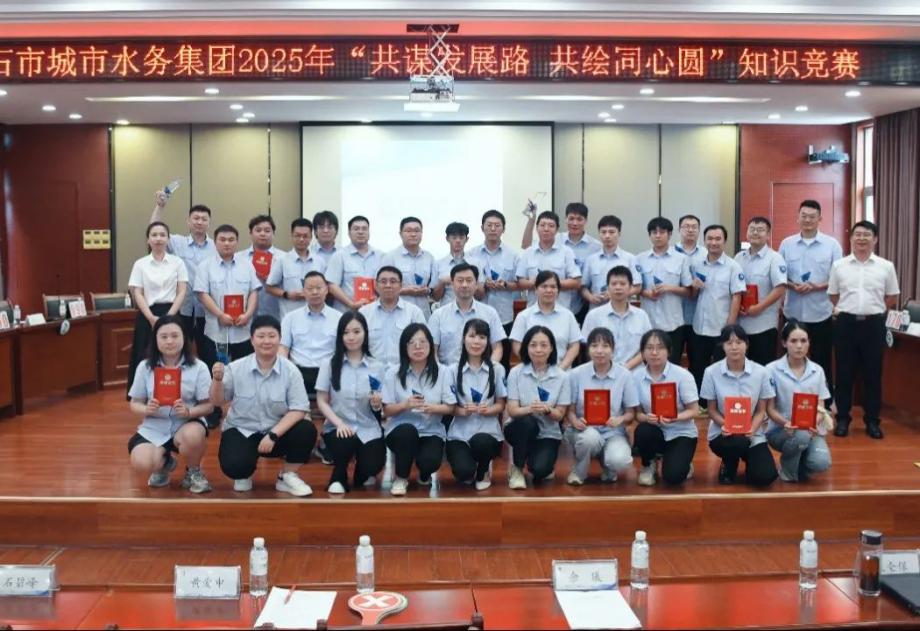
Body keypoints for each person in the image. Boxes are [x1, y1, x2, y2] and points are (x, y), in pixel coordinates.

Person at [211, 316, 316, 496]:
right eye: (261, 336)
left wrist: (273, 435)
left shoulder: (291, 371)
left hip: (276, 432)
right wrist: (217, 380)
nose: (266, 341)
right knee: (235, 466)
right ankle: (243, 473)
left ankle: (287, 475)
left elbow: (299, 409)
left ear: (280, 339)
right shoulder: (236, 368)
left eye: (271, 336)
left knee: (306, 430)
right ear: (252, 340)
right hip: (243, 429)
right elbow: (217, 402)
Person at [828, 220, 900, 439]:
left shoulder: (885, 266)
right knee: (843, 374)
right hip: (846, 324)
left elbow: (892, 296)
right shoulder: (839, 266)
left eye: (866, 235)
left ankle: (872, 421)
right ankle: (842, 419)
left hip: (873, 325)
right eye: (857, 234)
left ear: (875, 239)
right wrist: (850, 309)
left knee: (872, 374)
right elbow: (833, 295)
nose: (861, 238)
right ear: (851, 239)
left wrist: (874, 310)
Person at [127, 315, 213, 493]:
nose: (169, 341)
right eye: (164, 336)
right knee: (141, 462)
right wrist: (146, 408)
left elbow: (209, 406)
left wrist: (189, 412)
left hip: (186, 423)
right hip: (154, 426)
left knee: (193, 436)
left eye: (175, 336)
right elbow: (134, 403)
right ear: (155, 339)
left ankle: (193, 471)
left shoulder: (199, 367)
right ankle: (164, 465)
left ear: (184, 337)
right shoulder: (144, 367)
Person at [193, 224, 261, 426]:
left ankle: (244, 411)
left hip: (242, 330)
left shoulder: (247, 265)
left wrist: (248, 314)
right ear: (215, 242)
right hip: (216, 331)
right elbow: (202, 294)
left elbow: (254, 292)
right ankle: (213, 411)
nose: (227, 243)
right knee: (214, 372)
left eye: (231, 240)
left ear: (237, 242)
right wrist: (220, 314)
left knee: (244, 373)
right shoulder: (205, 266)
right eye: (222, 239)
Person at [778, 200, 843, 405]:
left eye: (812, 216)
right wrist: (791, 285)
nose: (807, 220)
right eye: (804, 216)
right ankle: (789, 401)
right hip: (793, 313)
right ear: (797, 217)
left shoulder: (832, 245)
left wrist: (817, 286)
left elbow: (838, 278)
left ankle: (826, 403)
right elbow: (779, 275)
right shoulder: (787, 244)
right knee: (791, 359)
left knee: (823, 361)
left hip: (821, 313)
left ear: (819, 218)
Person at [315, 312, 387, 494]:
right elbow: (321, 401)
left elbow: (379, 407)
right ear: (340, 335)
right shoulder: (329, 364)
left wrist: (377, 404)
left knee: (373, 465)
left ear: (365, 333)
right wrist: (339, 423)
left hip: (368, 427)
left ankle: (361, 472)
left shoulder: (377, 366)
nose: (351, 337)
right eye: (346, 332)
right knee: (344, 440)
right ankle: (338, 477)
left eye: (356, 331)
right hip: (338, 427)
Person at [382, 324, 454, 496]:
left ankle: (424, 475)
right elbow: (386, 411)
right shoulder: (393, 373)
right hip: (400, 431)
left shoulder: (443, 372)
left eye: (423, 342)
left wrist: (432, 408)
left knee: (430, 460)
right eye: (412, 343)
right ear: (404, 347)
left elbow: (450, 407)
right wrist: (404, 405)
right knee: (407, 432)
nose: (418, 346)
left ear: (431, 345)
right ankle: (401, 478)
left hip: (431, 430)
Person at [701, 324, 778, 487]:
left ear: (747, 344)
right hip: (723, 433)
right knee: (737, 442)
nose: (734, 347)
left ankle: (750, 462)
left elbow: (761, 410)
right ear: (723, 346)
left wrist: (751, 428)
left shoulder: (761, 372)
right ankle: (729, 462)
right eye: (729, 343)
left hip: (752, 432)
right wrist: (727, 424)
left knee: (765, 477)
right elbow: (711, 410)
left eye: (739, 342)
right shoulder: (711, 372)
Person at [564, 327, 638, 485]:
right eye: (594, 345)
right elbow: (569, 410)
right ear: (588, 349)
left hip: (613, 431)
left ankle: (607, 463)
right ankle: (579, 472)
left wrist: (619, 420)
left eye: (605, 346)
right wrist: (575, 421)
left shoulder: (625, 375)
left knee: (620, 460)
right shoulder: (576, 374)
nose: (599, 351)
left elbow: (631, 413)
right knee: (589, 439)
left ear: (613, 349)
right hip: (584, 430)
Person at [504, 326, 573, 489]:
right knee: (527, 423)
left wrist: (548, 410)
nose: (538, 349)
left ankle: (540, 462)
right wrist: (531, 409)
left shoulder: (562, 377)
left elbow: (560, 415)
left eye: (543, 345)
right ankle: (517, 469)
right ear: (526, 347)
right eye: (533, 345)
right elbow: (512, 410)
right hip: (520, 428)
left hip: (548, 432)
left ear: (552, 348)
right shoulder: (515, 373)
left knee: (540, 471)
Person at [127, 222, 189, 398]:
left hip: (172, 312)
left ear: (168, 239)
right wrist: (151, 317)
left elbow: (182, 291)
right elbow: (137, 293)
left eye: (162, 235)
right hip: (148, 314)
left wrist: (169, 317)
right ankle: (143, 396)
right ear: (148, 240)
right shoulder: (140, 264)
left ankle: (175, 393)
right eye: (154, 235)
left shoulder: (177, 262)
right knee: (144, 354)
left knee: (174, 352)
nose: (158, 238)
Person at [765, 320, 833, 482]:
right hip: (781, 431)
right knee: (800, 436)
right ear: (784, 343)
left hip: (811, 430)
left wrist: (813, 423)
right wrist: (785, 423)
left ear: (809, 342)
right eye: (793, 341)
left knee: (821, 463)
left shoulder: (818, 370)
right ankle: (788, 473)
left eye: (803, 341)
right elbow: (770, 409)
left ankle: (797, 461)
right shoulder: (771, 369)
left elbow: (821, 407)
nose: (799, 346)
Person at [632, 329, 700, 486]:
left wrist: (675, 417)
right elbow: (637, 414)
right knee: (642, 430)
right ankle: (648, 464)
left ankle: (683, 462)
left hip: (680, 432)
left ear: (669, 351)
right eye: (649, 348)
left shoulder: (683, 375)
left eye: (660, 347)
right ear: (642, 353)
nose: (654, 352)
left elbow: (694, 410)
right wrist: (646, 418)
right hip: (654, 429)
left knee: (673, 477)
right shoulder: (636, 377)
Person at [446, 319, 507, 491]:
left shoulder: (497, 369)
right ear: (463, 338)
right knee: (463, 473)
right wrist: (463, 411)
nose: (476, 341)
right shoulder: (451, 370)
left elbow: (501, 405)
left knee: (482, 442)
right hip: (459, 434)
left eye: (482, 337)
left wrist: (489, 410)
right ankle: (469, 467)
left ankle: (483, 471)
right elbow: (449, 408)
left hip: (488, 432)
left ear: (488, 341)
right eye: (472, 336)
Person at [150, 191, 216, 348]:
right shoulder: (177, 242)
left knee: (208, 354)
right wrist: (160, 206)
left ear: (209, 223)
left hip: (208, 311)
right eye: (196, 218)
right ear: (188, 221)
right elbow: (154, 229)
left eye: (204, 219)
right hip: (182, 308)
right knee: (180, 351)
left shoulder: (216, 246)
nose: (199, 222)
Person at [689, 225, 746, 392]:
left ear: (725, 241)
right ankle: (701, 403)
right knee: (698, 368)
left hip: (721, 328)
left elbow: (737, 296)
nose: (713, 242)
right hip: (699, 327)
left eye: (718, 239)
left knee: (722, 370)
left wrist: (730, 327)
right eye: (710, 239)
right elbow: (693, 296)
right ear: (704, 240)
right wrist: (694, 287)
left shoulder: (733, 267)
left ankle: (721, 401)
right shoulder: (697, 265)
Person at [522, 202, 600, 321]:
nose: (575, 223)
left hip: (582, 302)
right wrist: (531, 220)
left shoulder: (596, 246)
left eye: (579, 219)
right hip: (553, 302)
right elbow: (527, 246)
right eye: (571, 218)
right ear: (565, 219)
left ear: (586, 221)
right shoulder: (555, 238)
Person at [468, 209, 520, 372]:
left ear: (503, 229)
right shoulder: (471, 254)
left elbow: (519, 285)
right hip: (476, 316)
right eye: (489, 225)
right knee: (475, 359)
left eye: (497, 225)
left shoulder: (513, 255)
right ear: (482, 228)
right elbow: (466, 283)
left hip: (504, 316)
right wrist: (482, 285)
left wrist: (505, 285)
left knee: (502, 363)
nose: (493, 229)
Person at [636, 217, 692, 365]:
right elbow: (635, 288)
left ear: (670, 234)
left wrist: (669, 288)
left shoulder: (681, 259)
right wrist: (647, 293)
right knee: (647, 365)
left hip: (673, 323)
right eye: (654, 232)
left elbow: (689, 291)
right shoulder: (640, 259)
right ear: (649, 235)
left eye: (662, 232)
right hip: (648, 322)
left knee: (672, 366)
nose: (658, 235)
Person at [279, 271, 342, 403]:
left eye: (319, 288)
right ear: (303, 292)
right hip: (298, 371)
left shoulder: (339, 318)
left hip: (328, 371)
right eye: (310, 288)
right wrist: (284, 371)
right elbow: (283, 348)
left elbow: (342, 350)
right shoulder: (290, 318)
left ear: (326, 290)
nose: (315, 292)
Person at [427, 263, 505, 366]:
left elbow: (497, 349)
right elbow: (432, 351)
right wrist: (442, 372)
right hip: (448, 372)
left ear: (476, 284)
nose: (464, 285)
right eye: (460, 280)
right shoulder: (438, 316)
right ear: (452, 284)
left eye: (469, 280)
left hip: (481, 372)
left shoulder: (490, 313)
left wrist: (487, 369)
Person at [735, 216, 788, 366]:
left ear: (768, 235)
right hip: (741, 325)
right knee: (741, 368)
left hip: (764, 325)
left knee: (762, 369)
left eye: (760, 230)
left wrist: (759, 307)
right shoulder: (739, 257)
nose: (755, 233)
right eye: (752, 229)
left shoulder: (775, 258)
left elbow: (780, 288)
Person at [581, 266, 652, 369]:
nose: (618, 287)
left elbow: (647, 347)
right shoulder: (594, 315)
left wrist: (626, 368)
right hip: (603, 372)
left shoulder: (642, 316)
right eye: (614, 284)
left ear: (630, 287)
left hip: (634, 372)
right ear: (608, 287)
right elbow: (587, 347)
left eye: (623, 284)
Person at [510, 270, 581, 370]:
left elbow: (574, 346)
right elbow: (517, 345)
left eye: (553, 287)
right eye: (544, 286)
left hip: (562, 372)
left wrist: (560, 369)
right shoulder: (524, 316)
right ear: (535, 290)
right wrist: (533, 366)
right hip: (532, 371)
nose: (549, 290)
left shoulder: (568, 315)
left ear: (558, 291)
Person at [359, 266, 426, 366]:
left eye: (393, 281)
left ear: (401, 285)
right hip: (371, 371)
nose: (388, 285)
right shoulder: (364, 313)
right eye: (383, 281)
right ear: (376, 285)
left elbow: (423, 345)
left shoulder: (414, 313)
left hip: (404, 370)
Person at [516, 211, 583, 312]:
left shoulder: (567, 252)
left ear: (557, 229)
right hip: (533, 312)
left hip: (560, 312)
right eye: (542, 225)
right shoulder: (528, 252)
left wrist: (551, 283)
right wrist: (533, 283)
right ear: (537, 228)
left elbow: (576, 282)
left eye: (551, 226)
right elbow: (520, 282)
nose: (546, 229)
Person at [266, 218, 326, 320]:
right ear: (292, 236)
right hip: (290, 317)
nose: (301, 239)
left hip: (316, 316)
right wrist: (287, 294)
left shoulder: (320, 261)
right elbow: (269, 288)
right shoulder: (282, 260)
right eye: (297, 236)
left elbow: (326, 287)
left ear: (311, 237)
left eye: (305, 236)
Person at [581, 214, 640, 311]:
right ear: (599, 233)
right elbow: (583, 287)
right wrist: (590, 297)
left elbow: (637, 287)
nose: (607, 236)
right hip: (596, 310)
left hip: (622, 311)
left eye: (611, 232)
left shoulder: (630, 258)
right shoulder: (591, 260)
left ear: (619, 233)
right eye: (603, 232)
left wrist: (617, 294)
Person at [380, 217, 436, 318]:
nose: (413, 234)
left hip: (423, 313)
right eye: (408, 231)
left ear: (421, 233)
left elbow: (434, 287)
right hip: (397, 313)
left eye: (417, 231)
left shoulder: (429, 257)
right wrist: (405, 290)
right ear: (400, 234)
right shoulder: (390, 257)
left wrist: (428, 290)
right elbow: (381, 287)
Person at [325, 215, 382, 312]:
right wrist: (351, 304)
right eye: (356, 229)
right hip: (346, 312)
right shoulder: (339, 256)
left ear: (369, 232)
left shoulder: (381, 256)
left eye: (364, 229)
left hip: (374, 311)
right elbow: (332, 286)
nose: (360, 232)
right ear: (349, 233)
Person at [235, 215, 284, 320]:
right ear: (250, 233)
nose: (262, 234)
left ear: (274, 234)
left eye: (267, 231)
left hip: (275, 314)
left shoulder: (284, 258)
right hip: (244, 316)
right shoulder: (238, 258)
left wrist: (272, 280)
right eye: (258, 230)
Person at [674, 214, 705, 370]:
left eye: (694, 227)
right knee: (672, 362)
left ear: (699, 230)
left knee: (698, 364)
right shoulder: (670, 253)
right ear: (679, 229)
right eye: (686, 226)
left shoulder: (707, 254)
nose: (690, 230)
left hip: (698, 319)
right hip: (674, 319)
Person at [431, 222, 479, 308]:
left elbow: (481, 295)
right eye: (454, 237)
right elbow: (435, 297)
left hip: (472, 311)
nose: (458, 241)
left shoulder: (476, 263)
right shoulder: (438, 264)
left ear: (467, 239)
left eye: (461, 237)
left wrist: (471, 281)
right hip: (447, 312)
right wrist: (442, 282)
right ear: (447, 238)